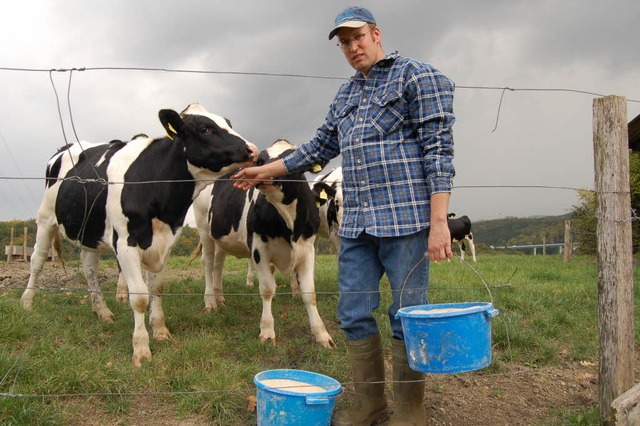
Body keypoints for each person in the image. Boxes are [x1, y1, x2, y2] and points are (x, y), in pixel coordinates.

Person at [233, 6, 455, 425]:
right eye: (344, 42)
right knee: (353, 313)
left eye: (358, 38)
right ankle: (370, 407)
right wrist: (266, 170)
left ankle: (410, 412)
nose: (352, 47)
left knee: (406, 315)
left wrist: (439, 221)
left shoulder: (417, 76)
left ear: (376, 34)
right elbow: (316, 149)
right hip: (355, 224)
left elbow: (439, 150)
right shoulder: (347, 95)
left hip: (406, 221)